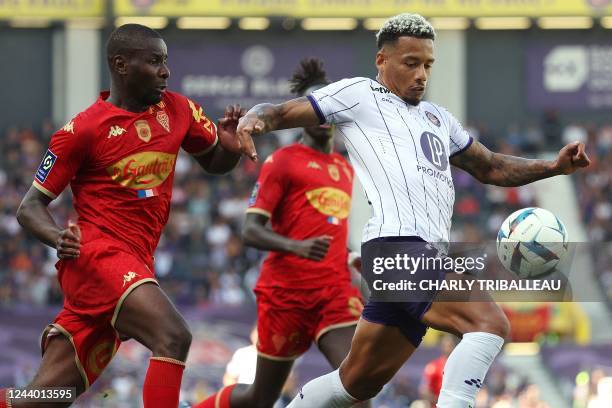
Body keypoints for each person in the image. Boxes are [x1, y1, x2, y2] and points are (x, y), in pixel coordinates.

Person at [233, 13, 591, 408]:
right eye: (411, 63)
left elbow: (491, 167)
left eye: (427, 64)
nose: (421, 74)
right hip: (398, 249)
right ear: (382, 61)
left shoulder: (439, 119)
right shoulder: (359, 94)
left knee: (354, 383)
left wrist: (554, 167)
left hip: (416, 257)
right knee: (489, 323)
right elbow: (282, 113)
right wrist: (255, 119)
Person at [3, 24, 245, 408]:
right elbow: (29, 206)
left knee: (46, 397)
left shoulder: (178, 110)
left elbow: (215, 161)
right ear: (121, 65)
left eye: (165, 61)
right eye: (154, 62)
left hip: (135, 260)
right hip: (96, 255)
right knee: (174, 336)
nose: (165, 71)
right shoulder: (82, 130)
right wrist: (57, 237)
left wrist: (230, 148)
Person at [195, 58, 366, 408]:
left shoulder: (345, 168)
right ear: (299, 114)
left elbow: (333, 228)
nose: (320, 115)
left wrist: (352, 257)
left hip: (333, 293)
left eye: (326, 107)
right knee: (260, 398)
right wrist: (298, 247)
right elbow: (251, 230)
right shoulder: (283, 161)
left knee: (358, 388)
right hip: (286, 294)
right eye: (311, 108)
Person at [421, 335, 459, 407]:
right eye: (445, 345)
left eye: (449, 345)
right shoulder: (433, 366)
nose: (447, 348)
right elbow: (424, 391)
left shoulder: (460, 366)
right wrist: (441, 401)